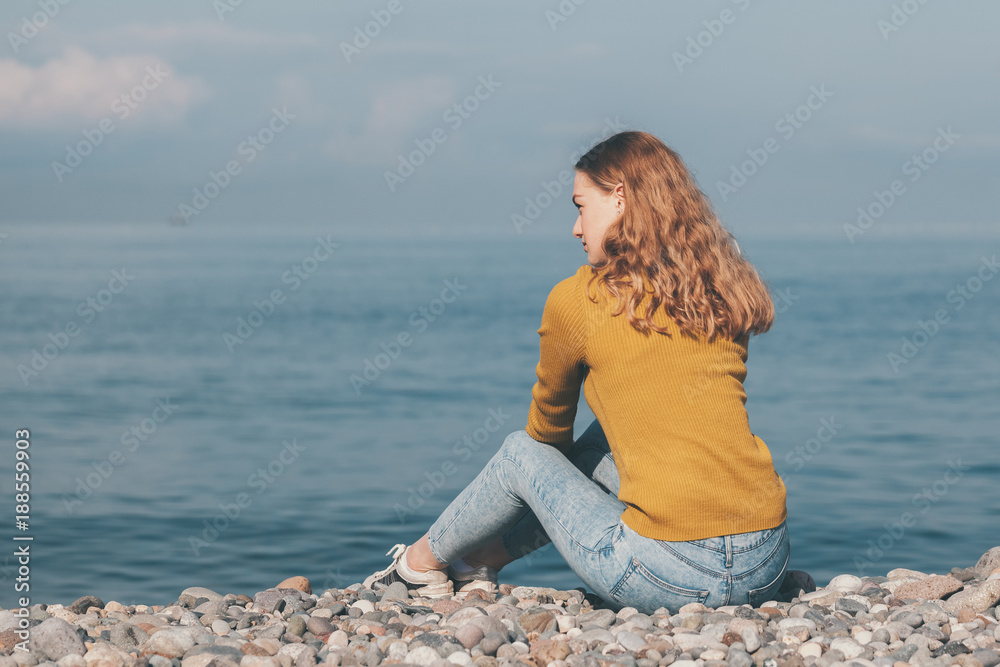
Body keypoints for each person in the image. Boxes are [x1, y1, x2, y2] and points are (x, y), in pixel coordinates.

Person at [363, 130, 790, 614]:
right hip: (766, 562)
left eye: (580, 206)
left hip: (668, 576)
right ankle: (480, 559)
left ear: (621, 198)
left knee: (521, 454)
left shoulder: (580, 298)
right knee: (603, 442)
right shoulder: (722, 286)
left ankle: (417, 565)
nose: (575, 228)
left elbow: (546, 437)